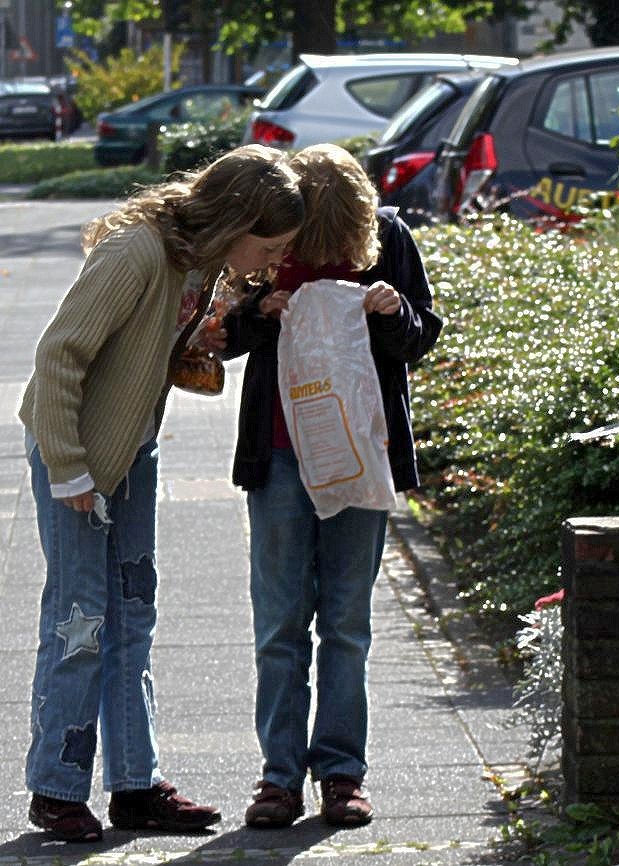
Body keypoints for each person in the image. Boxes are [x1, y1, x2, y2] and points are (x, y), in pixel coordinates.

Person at [18, 144, 305, 844]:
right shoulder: (137, 254)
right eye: (265, 245)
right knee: (81, 618)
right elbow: (59, 356)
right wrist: (71, 470)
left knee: (133, 614)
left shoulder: (199, 261)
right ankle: (56, 789)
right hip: (77, 456)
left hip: (130, 450)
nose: (268, 260)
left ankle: (134, 784)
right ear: (233, 219)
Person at [217, 143, 443, 829]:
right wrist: (263, 313)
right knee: (281, 621)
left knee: (346, 621)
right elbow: (225, 336)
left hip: (359, 457)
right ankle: (279, 777)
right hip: (280, 454)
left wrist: (392, 308)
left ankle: (342, 773)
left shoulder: (389, 238)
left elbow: (422, 335)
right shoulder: (270, 239)